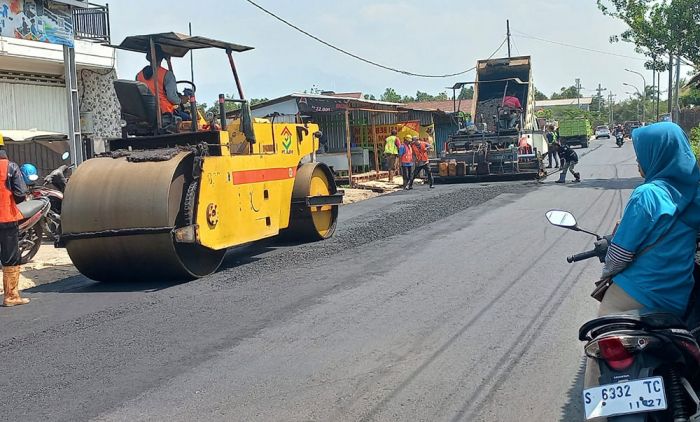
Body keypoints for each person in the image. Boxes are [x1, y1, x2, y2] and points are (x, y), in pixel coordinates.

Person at [597, 122, 700, 317]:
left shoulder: (647, 194)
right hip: (679, 297)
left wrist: (605, 274)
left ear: (658, 153)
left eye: (643, 151)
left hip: (640, 292)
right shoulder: (696, 193)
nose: (637, 159)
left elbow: (619, 255)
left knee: (602, 330)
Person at [0, 131, 29, 307]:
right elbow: (20, 194)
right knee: (10, 257)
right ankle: (11, 296)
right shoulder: (10, 167)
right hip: (6, 217)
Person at [136, 44, 181, 117]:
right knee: (187, 117)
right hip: (165, 112)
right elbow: (172, 98)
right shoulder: (167, 74)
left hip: (145, 112)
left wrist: (169, 62)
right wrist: (181, 100)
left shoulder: (139, 75)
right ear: (162, 58)